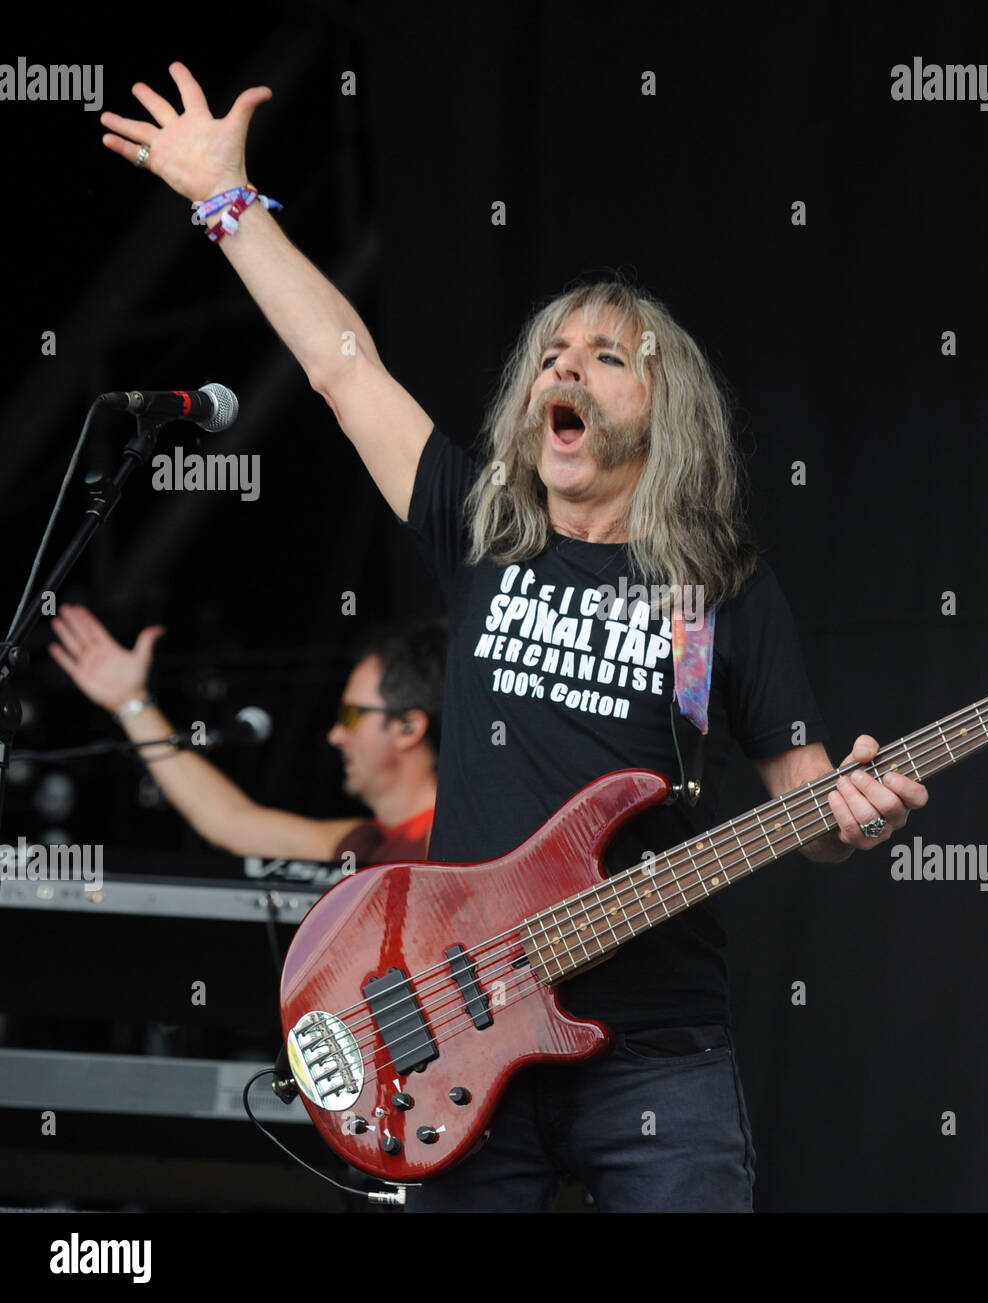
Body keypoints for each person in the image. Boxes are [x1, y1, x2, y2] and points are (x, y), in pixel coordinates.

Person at [98, 63, 930, 1212]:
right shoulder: (486, 530)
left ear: (661, 407)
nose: (562, 367)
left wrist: (852, 816)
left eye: (601, 355)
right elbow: (343, 368)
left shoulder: (715, 594)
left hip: (653, 1047)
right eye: (549, 354)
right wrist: (225, 203)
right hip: (459, 1031)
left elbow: (807, 807)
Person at [48, 605, 441, 865]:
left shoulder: (466, 841)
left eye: (351, 716)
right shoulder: (368, 842)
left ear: (409, 727)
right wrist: (130, 703)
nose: (336, 735)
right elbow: (229, 822)